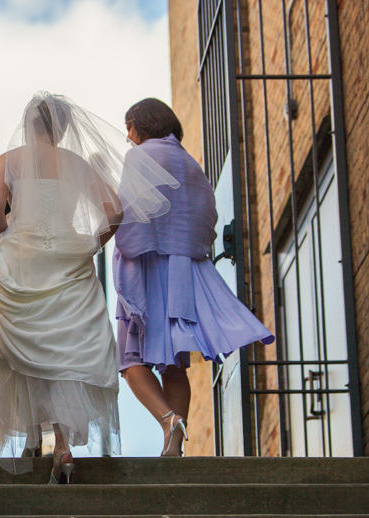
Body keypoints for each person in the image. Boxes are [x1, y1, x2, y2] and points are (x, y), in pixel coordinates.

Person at [0, 92, 180, 483]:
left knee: (23, 350)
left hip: (22, 258)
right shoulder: (76, 163)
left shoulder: (9, 160)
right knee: (63, 355)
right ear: (65, 128)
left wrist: (8, 238)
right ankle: (61, 446)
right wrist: (89, 244)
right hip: (68, 258)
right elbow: (114, 211)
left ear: (29, 125)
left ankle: (40, 443)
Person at [114, 98, 274, 457]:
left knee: (130, 362)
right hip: (184, 274)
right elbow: (208, 216)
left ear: (143, 124)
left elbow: (129, 216)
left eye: (129, 126)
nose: (127, 136)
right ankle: (175, 447)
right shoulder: (191, 162)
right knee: (173, 363)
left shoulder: (138, 158)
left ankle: (169, 420)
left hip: (147, 269)